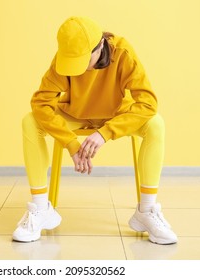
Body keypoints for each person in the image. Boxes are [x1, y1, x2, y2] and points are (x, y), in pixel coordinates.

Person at [13, 16, 177, 245]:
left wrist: (105, 133)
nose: (76, 68)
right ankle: (41, 209)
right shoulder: (64, 58)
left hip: (115, 114)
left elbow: (147, 102)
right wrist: (70, 143)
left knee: (156, 123)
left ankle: (147, 211)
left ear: (100, 46)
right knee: (30, 121)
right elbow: (41, 103)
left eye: (81, 60)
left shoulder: (122, 52)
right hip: (74, 114)